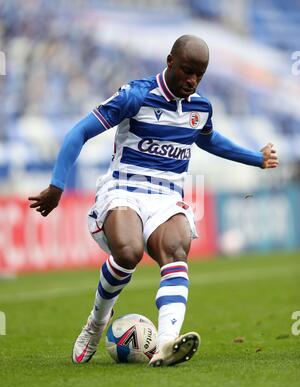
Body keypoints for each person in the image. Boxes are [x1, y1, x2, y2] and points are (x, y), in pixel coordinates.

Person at [28, 35, 279, 367]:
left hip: (166, 197)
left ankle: (165, 343)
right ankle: (96, 323)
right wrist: (57, 185)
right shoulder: (135, 95)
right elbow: (79, 132)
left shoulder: (200, 107)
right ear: (170, 61)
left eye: (199, 75)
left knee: (177, 250)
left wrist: (256, 158)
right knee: (129, 253)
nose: (192, 80)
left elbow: (208, 140)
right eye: (187, 71)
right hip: (124, 190)